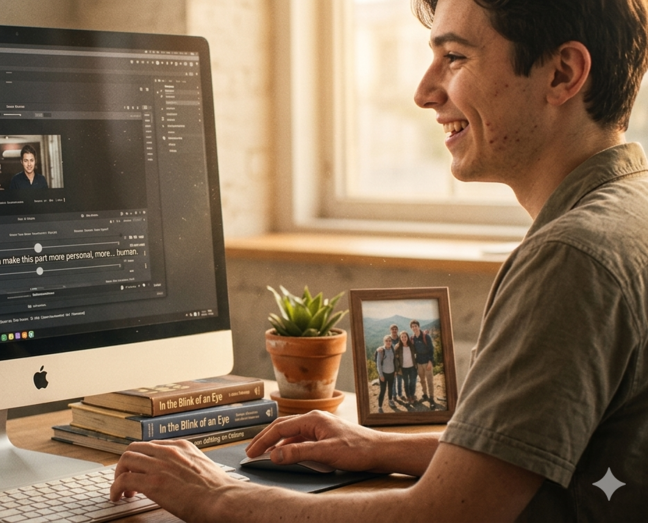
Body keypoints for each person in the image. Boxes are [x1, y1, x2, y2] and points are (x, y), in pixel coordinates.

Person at [109, 0, 648, 520]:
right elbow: (557, 458)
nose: (423, 91)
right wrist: (384, 448)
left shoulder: (571, 257)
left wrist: (218, 497)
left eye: (454, 57)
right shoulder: (630, 210)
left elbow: (441, 516)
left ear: (562, 73)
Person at [410, 319, 435, 404]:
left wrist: (430, 361)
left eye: (415, 326)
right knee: (422, 380)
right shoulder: (413, 338)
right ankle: (425, 394)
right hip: (419, 362)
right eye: (412, 327)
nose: (414, 328)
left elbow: (431, 349)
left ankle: (431, 398)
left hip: (427, 361)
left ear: (419, 326)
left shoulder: (426, 336)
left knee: (429, 380)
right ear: (411, 328)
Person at [374, 335, 397, 413]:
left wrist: (395, 371)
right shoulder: (381, 351)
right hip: (384, 374)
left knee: (390, 388)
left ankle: (390, 400)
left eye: (389, 341)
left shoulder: (393, 349)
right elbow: (378, 364)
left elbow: (394, 361)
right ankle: (380, 406)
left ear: (391, 342)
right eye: (386, 341)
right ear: (384, 342)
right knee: (382, 390)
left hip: (391, 373)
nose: (388, 342)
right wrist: (381, 375)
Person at [396, 330, 418, 403]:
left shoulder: (411, 346)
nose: (404, 338)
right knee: (406, 383)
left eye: (405, 336)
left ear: (407, 337)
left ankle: (412, 395)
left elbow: (417, 353)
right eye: (402, 337)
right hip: (404, 368)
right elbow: (394, 357)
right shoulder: (398, 347)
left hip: (412, 367)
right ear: (400, 338)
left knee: (412, 382)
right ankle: (408, 396)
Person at [388, 324, 405, 399]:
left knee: (399, 379)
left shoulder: (400, 338)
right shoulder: (388, 339)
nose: (394, 330)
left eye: (395, 329)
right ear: (390, 330)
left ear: (397, 330)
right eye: (392, 329)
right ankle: (394, 395)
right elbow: (385, 346)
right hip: (391, 363)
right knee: (393, 380)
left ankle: (400, 394)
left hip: (400, 362)